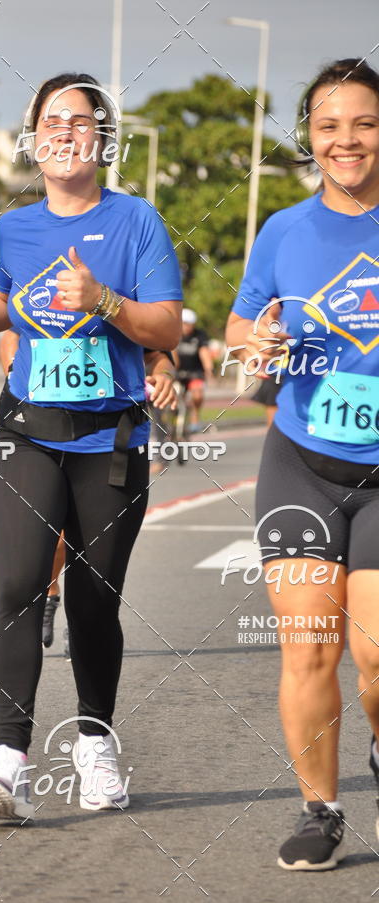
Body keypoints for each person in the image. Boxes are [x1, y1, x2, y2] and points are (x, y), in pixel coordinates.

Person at [0, 72, 183, 821]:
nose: (65, 130)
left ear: (103, 141)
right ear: (33, 139)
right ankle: (8, 761)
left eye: (81, 120)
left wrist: (103, 301)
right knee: (16, 585)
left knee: (93, 601)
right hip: (28, 431)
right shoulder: (16, 227)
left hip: (110, 440)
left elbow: (167, 325)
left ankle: (95, 744)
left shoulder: (137, 221)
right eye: (52, 119)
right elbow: (7, 298)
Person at [225, 58, 379, 871]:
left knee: (376, 654)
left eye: (365, 123)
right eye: (329, 125)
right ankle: (321, 810)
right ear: (310, 136)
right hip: (301, 461)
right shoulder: (284, 230)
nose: (346, 140)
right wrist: (257, 341)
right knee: (310, 644)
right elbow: (240, 327)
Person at [0, 329, 178, 656]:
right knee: (50, 535)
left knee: (83, 542)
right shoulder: (38, 300)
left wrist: (164, 377)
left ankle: (80, 619)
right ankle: (50, 591)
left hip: (103, 439)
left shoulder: (120, 303)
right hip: (41, 431)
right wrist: (14, 369)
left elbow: (158, 354)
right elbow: (12, 334)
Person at [174, 308, 214, 431]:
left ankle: (195, 416)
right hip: (177, 371)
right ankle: (173, 421)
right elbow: (171, 353)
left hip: (195, 372)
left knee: (197, 395)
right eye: (184, 323)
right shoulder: (173, 333)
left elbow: (204, 353)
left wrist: (209, 370)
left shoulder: (199, 335)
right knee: (174, 395)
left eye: (190, 324)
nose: (187, 327)